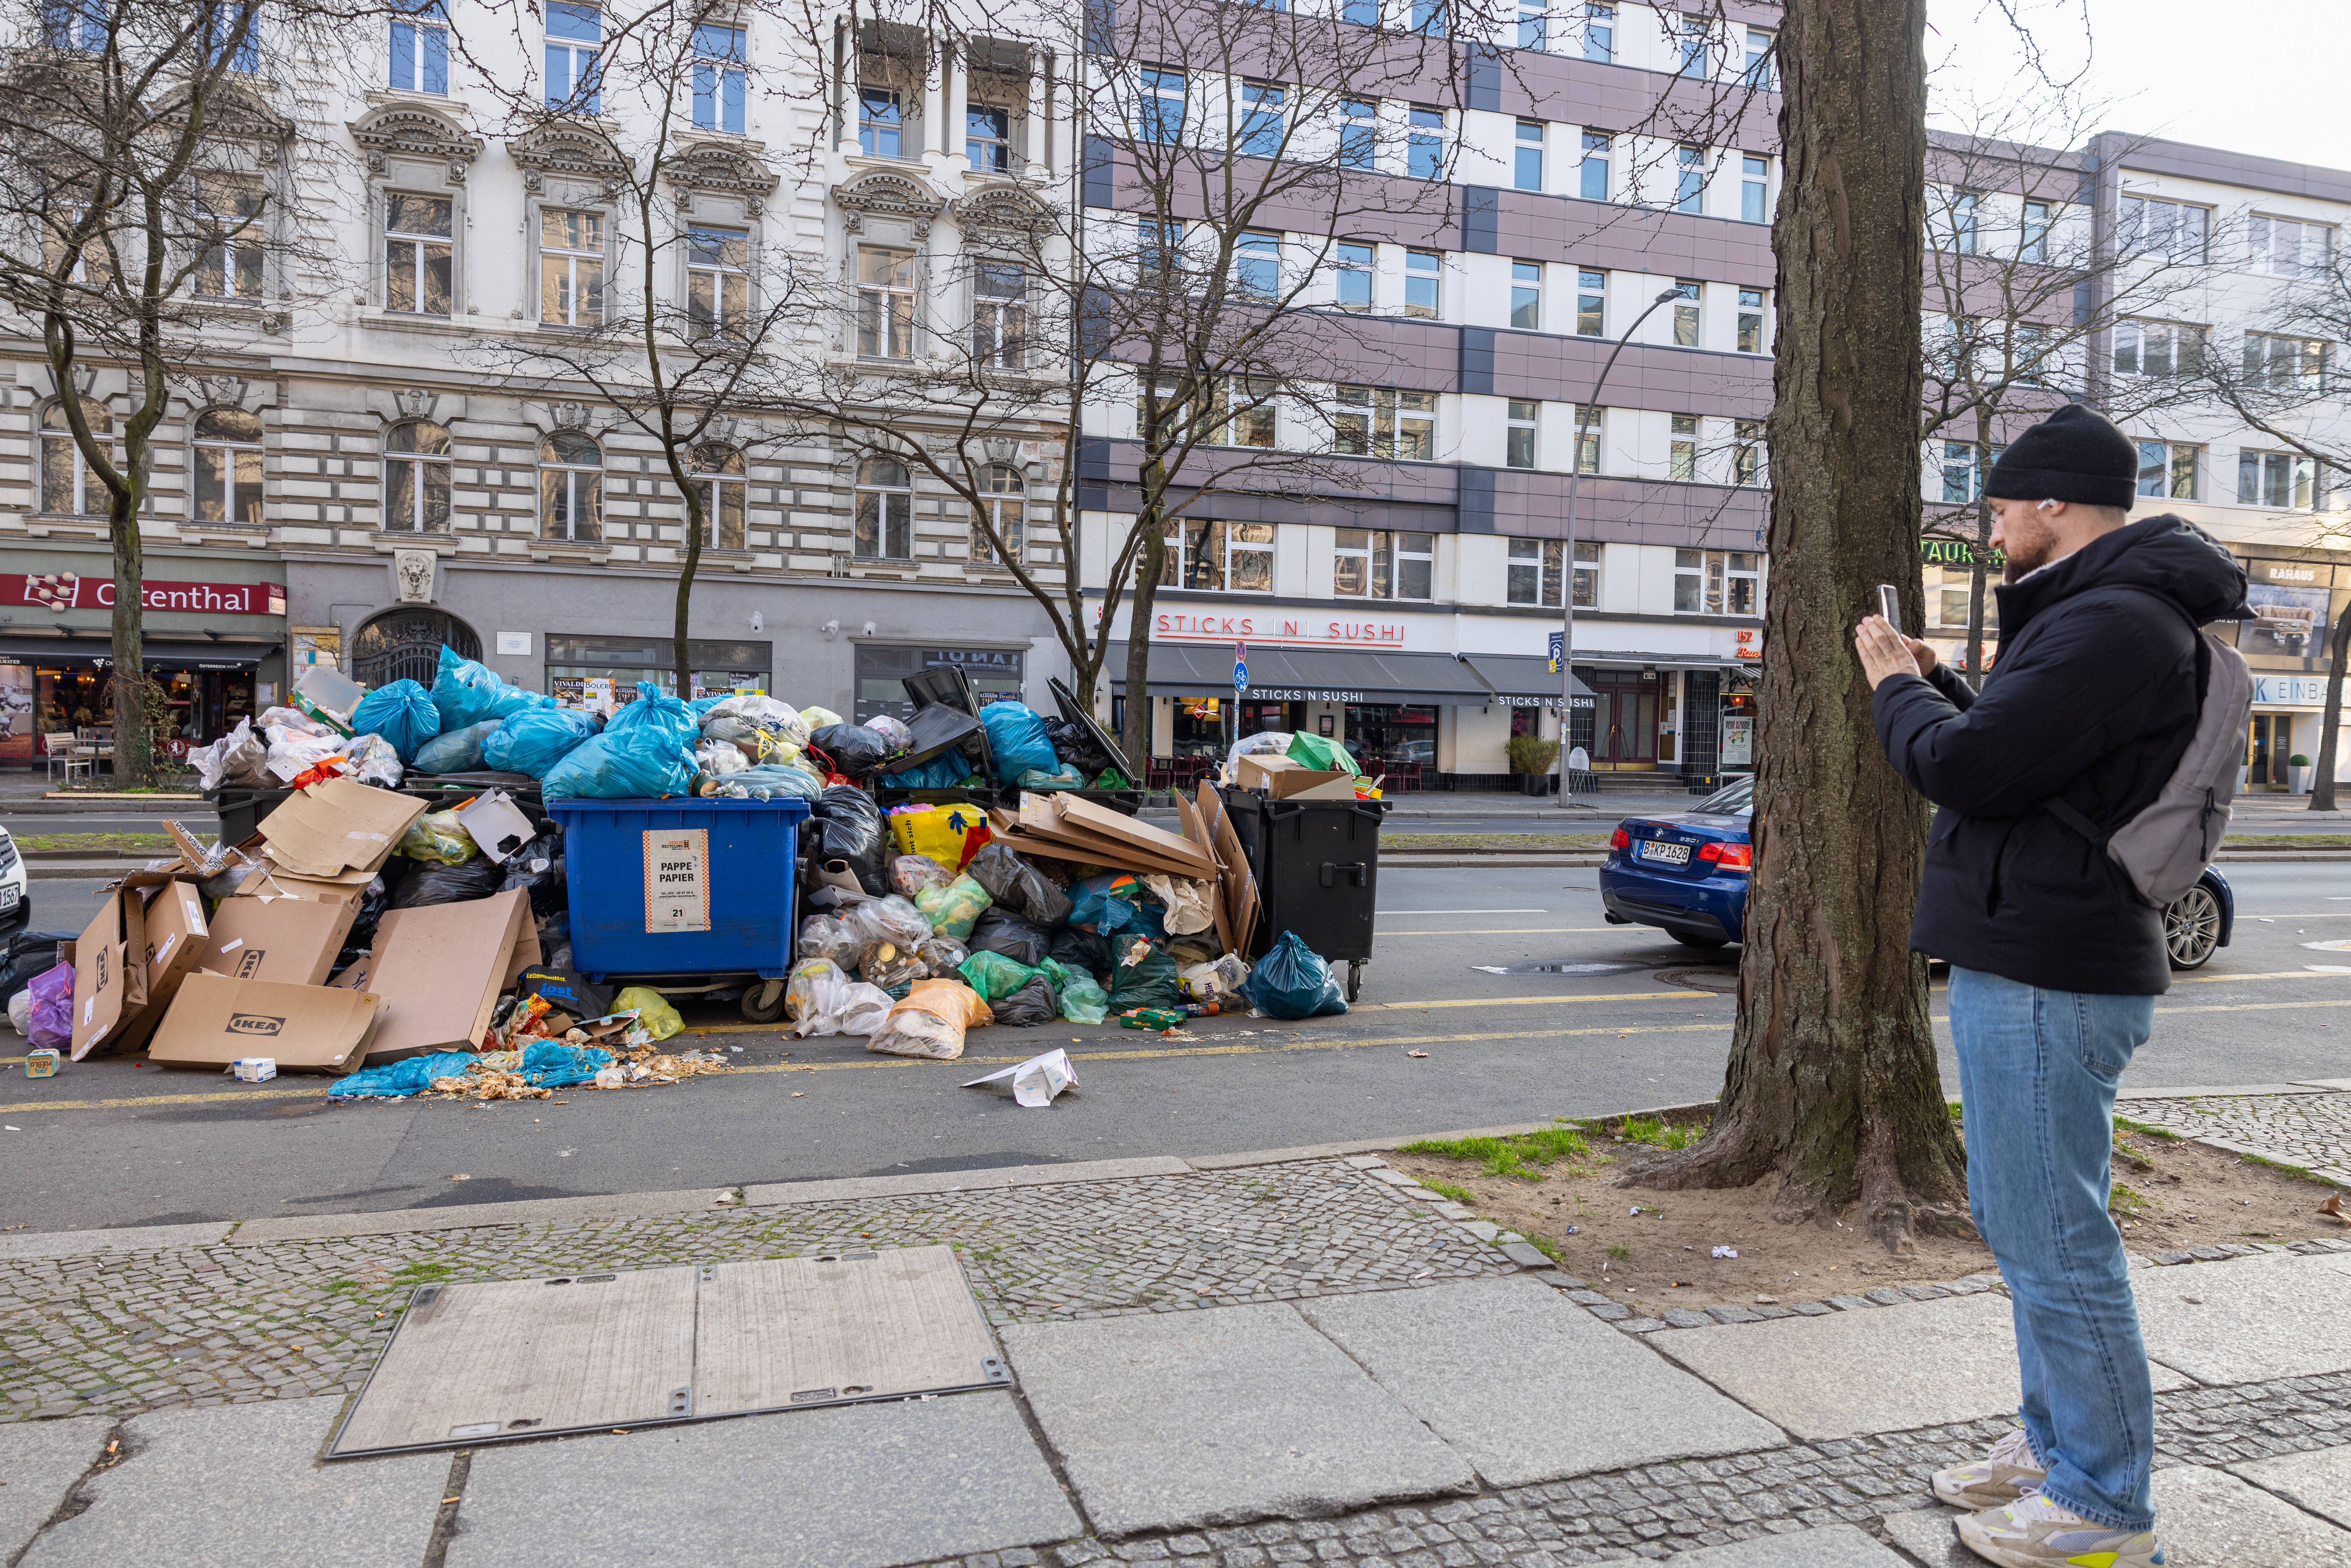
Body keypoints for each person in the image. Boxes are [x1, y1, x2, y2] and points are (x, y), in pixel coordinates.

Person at [1853, 403, 2248, 1568]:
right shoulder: (2103, 611)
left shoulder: (2114, 620)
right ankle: (2053, 1447)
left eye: (2003, 509)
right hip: (2035, 953)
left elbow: (1967, 771)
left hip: (2050, 965)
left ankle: (2102, 1506)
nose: (1994, 529)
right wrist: (1943, 678)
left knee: (2057, 1240)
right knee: (2027, 1225)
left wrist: (1894, 687)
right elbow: (2035, 764)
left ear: (2057, 503)